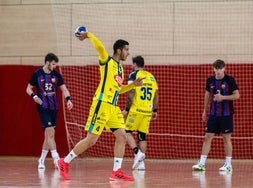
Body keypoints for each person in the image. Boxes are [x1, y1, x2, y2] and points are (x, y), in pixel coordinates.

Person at [57, 29, 143, 181]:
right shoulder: (107, 61)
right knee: (91, 140)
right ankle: (64, 161)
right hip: (101, 104)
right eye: (126, 50)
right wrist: (88, 35)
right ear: (118, 50)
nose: (128, 53)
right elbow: (100, 48)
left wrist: (133, 85)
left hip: (113, 108)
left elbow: (119, 89)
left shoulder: (121, 69)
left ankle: (116, 171)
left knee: (122, 136)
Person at [26, 53, 73, 169]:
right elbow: (28, 88)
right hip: (43, 108)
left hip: (54, 108)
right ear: (47, 63)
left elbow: (64, 89)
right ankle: (56, 159)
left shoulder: (56, 75)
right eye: (53, 64)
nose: (55, 66)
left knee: (48, 136)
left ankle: (41, 160)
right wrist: (34, 97)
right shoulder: (37, 74)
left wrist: (68, 100)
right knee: (50, 132)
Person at [192, 59, 240, 172]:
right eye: (216, 69)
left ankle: (228, 165)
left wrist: (223, 98)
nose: (218, 71)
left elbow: (237, 95)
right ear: (213, 69)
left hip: (226, 114)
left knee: (226, 138)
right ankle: (202, 164)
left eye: (220, 68)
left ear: (224, 68)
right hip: (213, 114)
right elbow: (207, 95)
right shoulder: (210, 80)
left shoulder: (229, 80)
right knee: (207, 137)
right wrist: (205, 110)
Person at [122, 56, 159, 170]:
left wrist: (127, 109)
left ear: (135, 64)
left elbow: (131, 92)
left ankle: (137, 153)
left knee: (126, 132)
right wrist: (155, 110)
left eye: (132, 64)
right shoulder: (151, 77)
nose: (131, 66)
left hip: (136, 110)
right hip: (147, 111)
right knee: (142, 137)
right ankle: (141, 164)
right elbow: (156, 95)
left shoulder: (134, 75)